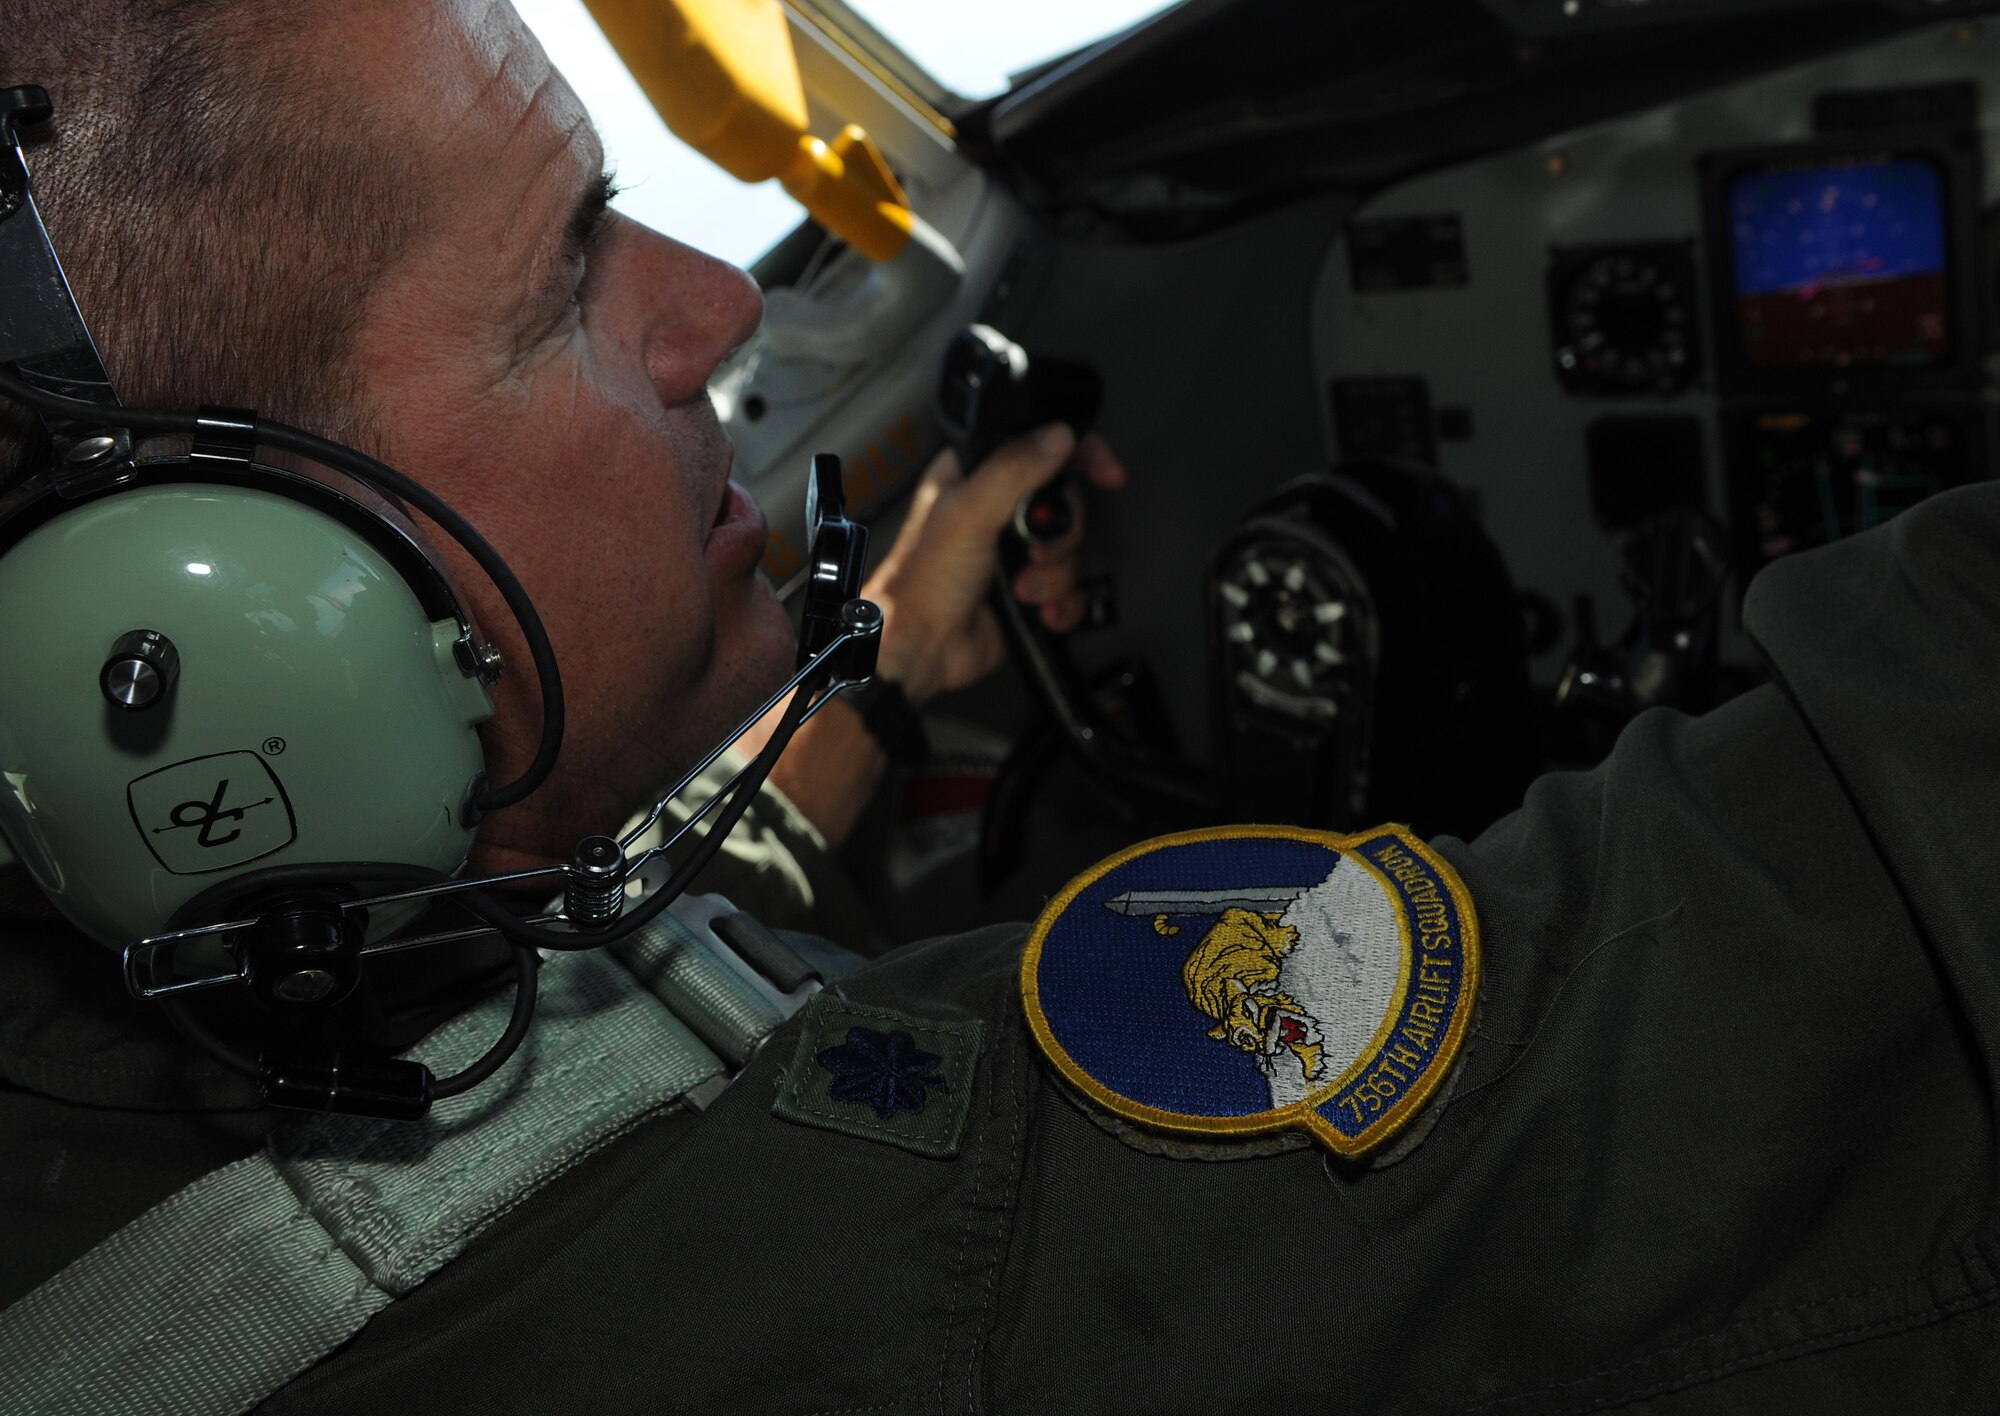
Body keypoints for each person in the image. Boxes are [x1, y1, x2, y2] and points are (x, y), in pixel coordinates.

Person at [3, 3, 1997, 1413]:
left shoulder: (153, 1048)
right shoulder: (844, 1291)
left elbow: (595, 991)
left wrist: (879, 665)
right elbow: (1720, 1010)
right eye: (563, 275)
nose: (717, 305)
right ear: (212, 622)